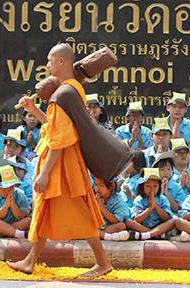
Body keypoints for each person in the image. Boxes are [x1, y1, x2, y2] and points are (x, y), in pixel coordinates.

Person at [7, 43, 112, 277]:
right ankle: (29, 261)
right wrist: (34, 109)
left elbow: (60, 138)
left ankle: (102, 262)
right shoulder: (68, 89)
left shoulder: (64, 93)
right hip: (61, 160)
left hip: (61, 163)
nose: (47, 64)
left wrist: (45, 173)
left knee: (78, 211)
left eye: (50, 60)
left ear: (62, 61)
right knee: (46, 209)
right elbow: (56, 127)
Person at [125, 168, 176, 240]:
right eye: (148, 186)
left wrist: (155, 206)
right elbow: (137, 219)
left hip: (159, 226)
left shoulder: (163, 199)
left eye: (155, 186)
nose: (152, 189)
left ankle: (144, 235)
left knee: (173, 221)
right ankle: (154, 234)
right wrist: (149, 208)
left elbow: (167, 218)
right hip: (143, 226)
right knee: (128, 222)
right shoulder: (139, 200)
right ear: (142, 186)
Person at [0, 165, 31, 238]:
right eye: (5, 188)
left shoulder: (20, 194)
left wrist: (13, 206)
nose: (9, 190)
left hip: (16, 222)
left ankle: (5, 232)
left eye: (12, 186)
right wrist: (5, 206)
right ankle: (19, 234)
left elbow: (22, 215)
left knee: (28, 221)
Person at [166, 92, 190, 158]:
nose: (177, 110)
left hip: (185, 158)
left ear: (185, 109)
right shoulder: (160, 123)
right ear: (168, 107)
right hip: (165, 158)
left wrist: (182, 142)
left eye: (181, 107)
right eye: (174, 106)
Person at [94, 176, 130, 241]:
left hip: (109, 226)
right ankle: (108, 236)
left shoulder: (117, 200)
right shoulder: (94, 198)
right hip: (97, 227)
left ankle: (101, 235)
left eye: (101, 186)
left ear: (111, 186)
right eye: (95, 185)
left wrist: (102, 208)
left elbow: (116, 220)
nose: (97, 188)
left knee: (121, 226)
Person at [152, 150, 186, 215]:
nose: (165, 172)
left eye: (168, 169)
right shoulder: (150, 186)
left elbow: (177, 209)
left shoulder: (177, 187)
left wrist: (167, 193)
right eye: (161, 170)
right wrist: (160, 193)